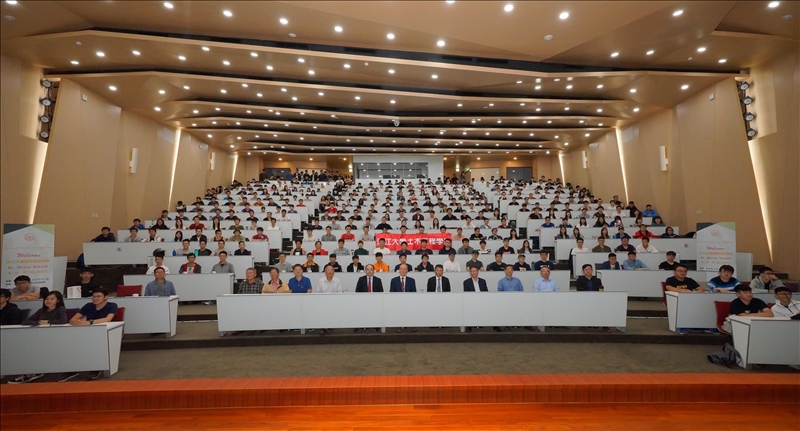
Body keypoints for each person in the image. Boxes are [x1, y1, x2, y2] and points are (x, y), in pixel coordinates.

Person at [63, 287, 118, 381]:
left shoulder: (112, 305)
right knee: (71, 343)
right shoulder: (88, 306)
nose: (95, 299)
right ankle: (72, 368)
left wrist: (89, 322)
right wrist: (77, 322)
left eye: (98, 296)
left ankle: (96, 367)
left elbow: (108, 319)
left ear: (105, 297)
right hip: (88, 332)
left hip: (106, 331)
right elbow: (73, 319)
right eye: (93, 296)